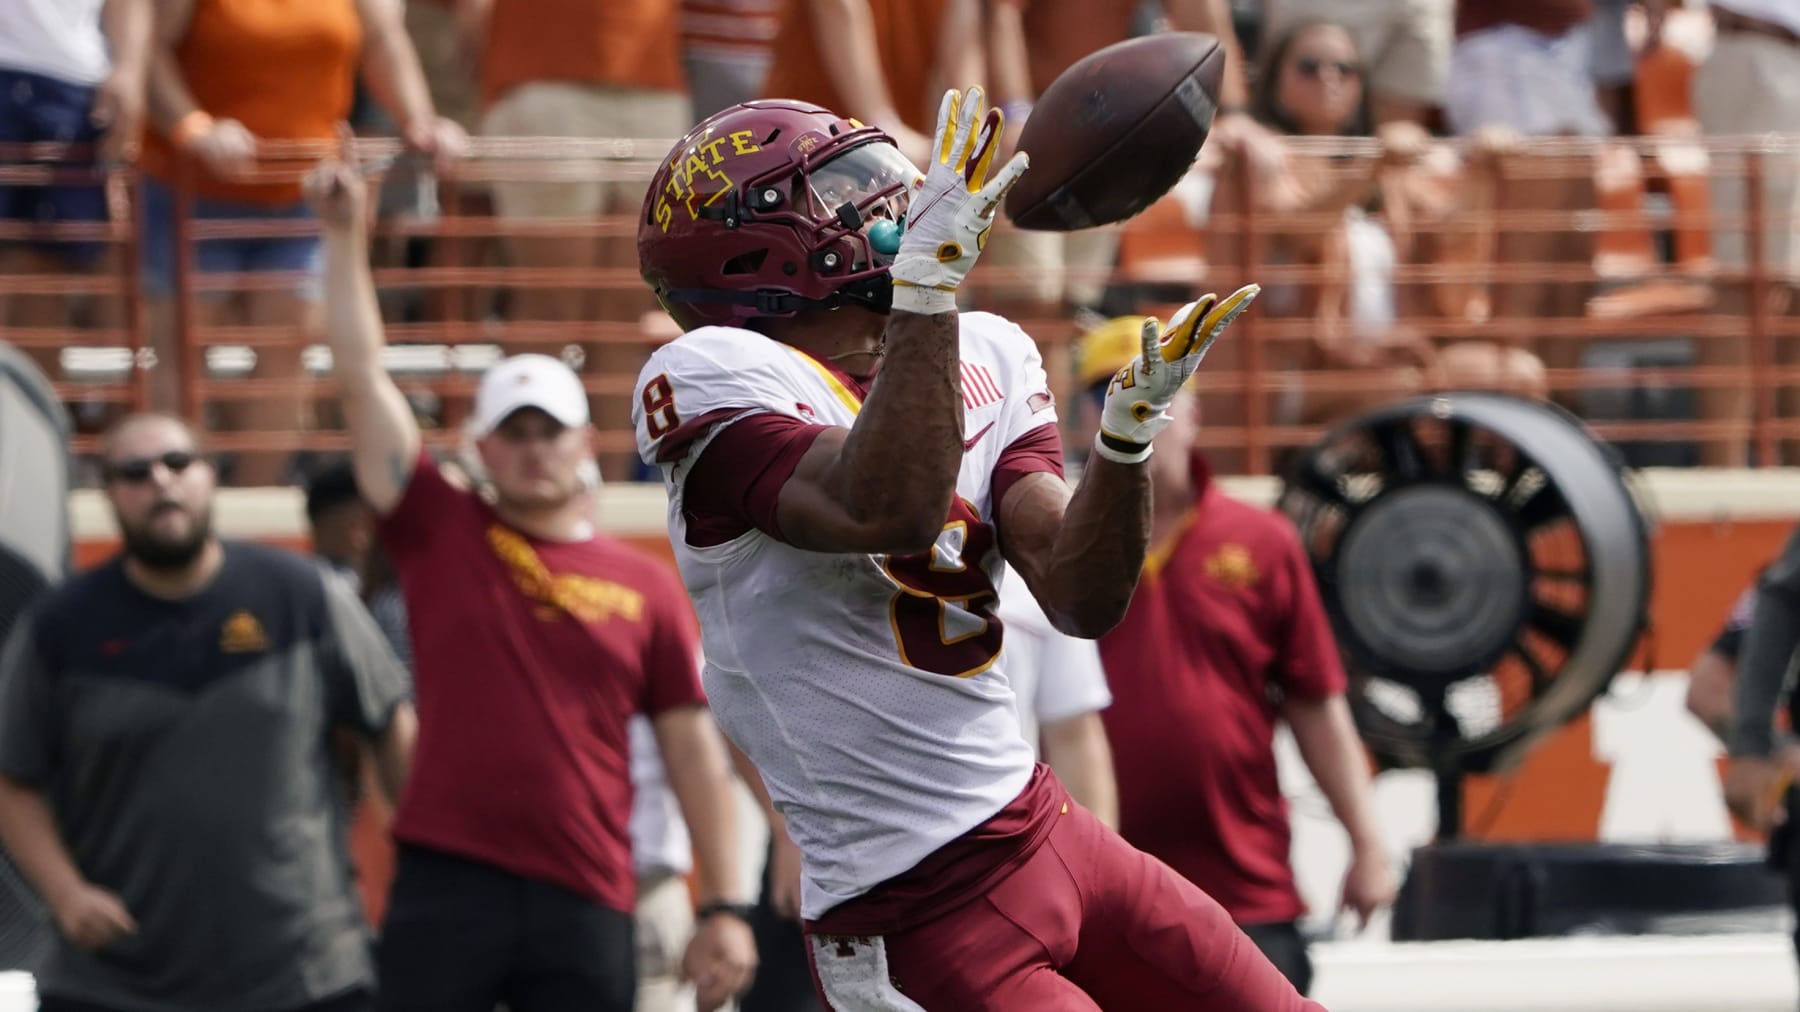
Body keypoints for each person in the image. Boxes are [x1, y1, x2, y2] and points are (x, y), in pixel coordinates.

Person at [632, 87, 1318, 1009]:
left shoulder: (984, 347)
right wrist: (924, 291)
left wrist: (1125, 445)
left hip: (1046, 827)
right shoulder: (708, 373)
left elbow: (1080, 596)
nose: (881, 198)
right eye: (833, 186)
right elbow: (890, 509)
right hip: (914, 903)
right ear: (754, 243)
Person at [304, 144, 756, 1012]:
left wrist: (725, 903)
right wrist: (343, 236)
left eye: (551, 430)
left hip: (588, 885)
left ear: (585, 444)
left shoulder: (646, 584)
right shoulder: (443, 530)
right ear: (481, 449)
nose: (534, 447)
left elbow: (695, 757)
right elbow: (363, 383)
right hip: (449, 876)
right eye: (513, 431)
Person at [0, 411, 416, 1012]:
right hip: (117, 980)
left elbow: (389, 721)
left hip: (304, 971)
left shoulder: (301, 598)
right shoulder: (60, 628)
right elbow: (13, 777)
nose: (161, 483)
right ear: (107, 492)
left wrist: (423, 858)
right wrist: (65, 894)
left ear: (210, 476)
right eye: (135, 472)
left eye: (178, 463)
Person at [1070, 318, 1396, 995]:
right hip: (1101, 905)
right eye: (1117, 395)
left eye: (1162, 396)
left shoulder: (1262, 540)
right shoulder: (1051, 539)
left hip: (1246, 896)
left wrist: (1367, 843)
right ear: (1082, 418)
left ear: (1194, 411)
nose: (1143, 413)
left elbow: (1316, 703)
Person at [734, 569, 1119, 1012]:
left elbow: (1073, 732)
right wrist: (785, 831)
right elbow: (738, 687)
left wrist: (1089, 884)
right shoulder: (822, 534)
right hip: (833, 851)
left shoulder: (1031, 556)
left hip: (995, 861)